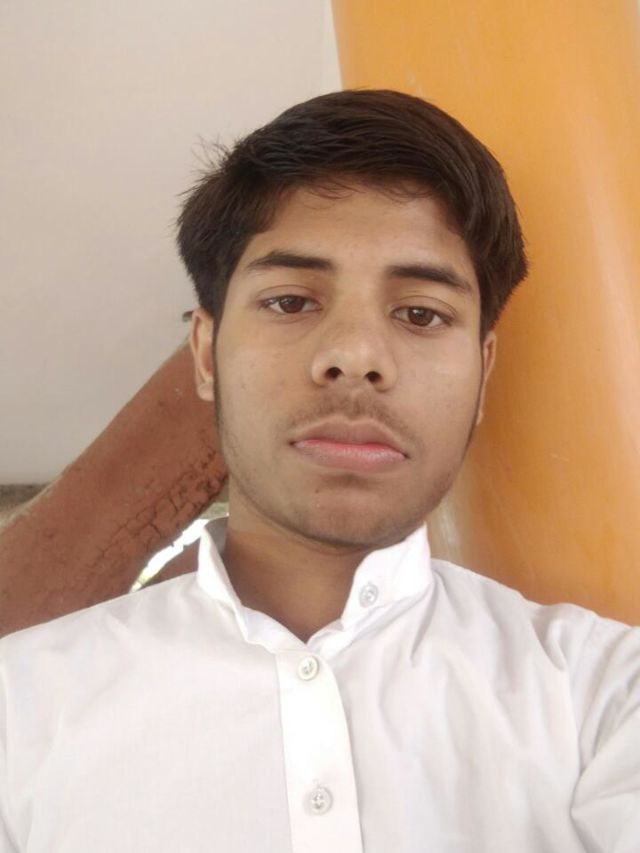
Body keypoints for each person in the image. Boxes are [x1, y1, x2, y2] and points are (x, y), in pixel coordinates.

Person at [1, 89, 638, 853]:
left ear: (483, 372)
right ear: (206, 354)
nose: (357, 356)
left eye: (422, 313)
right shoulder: (20, 706)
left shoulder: (607, 698)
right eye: (292, 300)